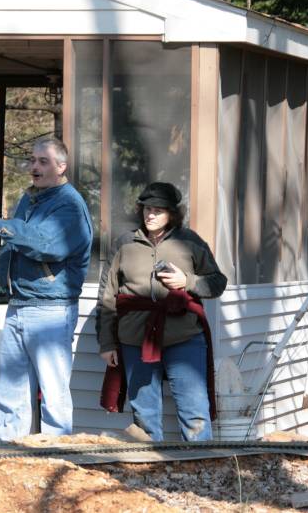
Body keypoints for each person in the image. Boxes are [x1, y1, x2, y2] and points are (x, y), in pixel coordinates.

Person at [0, 137, 93, 440]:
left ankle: (57, 454)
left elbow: (47, 245)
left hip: (50, 309)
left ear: (62, 167)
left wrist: (0, 224)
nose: (34, 167)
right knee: (11, 392)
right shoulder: (31, 198)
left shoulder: (69, 204)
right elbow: (18, 245)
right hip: (19, 304)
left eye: (43, 161)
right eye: (32, 160)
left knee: (53, 394)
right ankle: (7, 452)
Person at [97, 182, 227, 442]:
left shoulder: (190, 241)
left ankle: (201, 463)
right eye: (147, 209)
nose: (151, 215)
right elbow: (107, 296)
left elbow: (217, 282)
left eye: (158, 210)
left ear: (172, 213)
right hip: (135, 338)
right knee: (144, 415)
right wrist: (107, 343)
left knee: (194, 412)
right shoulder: (125, 244)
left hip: (184, 337)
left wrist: (187, 282)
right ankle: (150, 464)